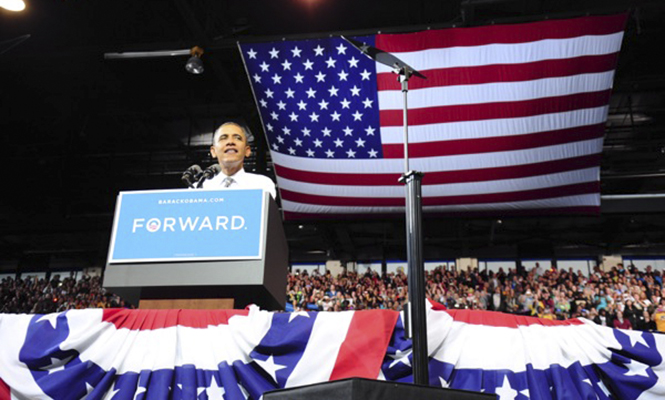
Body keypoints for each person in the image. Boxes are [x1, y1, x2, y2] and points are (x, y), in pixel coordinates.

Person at [200, 122, 277, 198]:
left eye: (237, 138)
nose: (230, 142)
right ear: (213, 151)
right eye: (223, 138)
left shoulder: (262, 184)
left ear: (247, 151)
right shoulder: (200, 187)